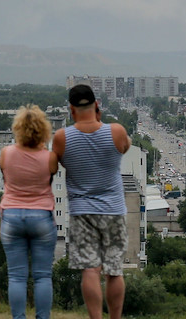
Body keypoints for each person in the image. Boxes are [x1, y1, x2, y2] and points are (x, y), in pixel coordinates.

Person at [52, 84, 131, 319]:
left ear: (71, 109)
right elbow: (125, 146)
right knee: (115, 271)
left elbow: (60, 163)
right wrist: (101, 121)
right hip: (114, 210)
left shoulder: (62, 137)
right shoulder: (115, 131)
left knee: (90, 270)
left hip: (81, 211)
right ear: (96, 105)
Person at [0, 104, 58, 319]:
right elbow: (51, 175)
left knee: (16, 277)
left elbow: (6, 178)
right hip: (41, 216)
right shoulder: (50, 158)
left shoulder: (6, 154)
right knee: (43, 276)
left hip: (11, 216)